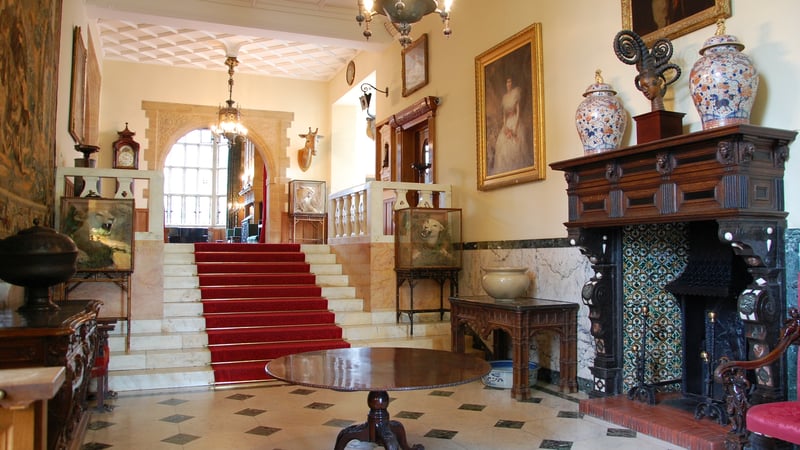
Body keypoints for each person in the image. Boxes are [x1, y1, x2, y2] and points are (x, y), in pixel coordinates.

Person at [490, 77, 530, 174]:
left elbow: (518, 112)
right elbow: (504, 115)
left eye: (510, 82)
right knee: (502, 146)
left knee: (515, 145)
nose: (509, 84)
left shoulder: (515, 94)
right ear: (506, 84)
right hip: (507, 122)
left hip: (514, 121)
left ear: (512, 83)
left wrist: (515, 129)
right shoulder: (504, 98)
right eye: (507, 82)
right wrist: (505, 128)